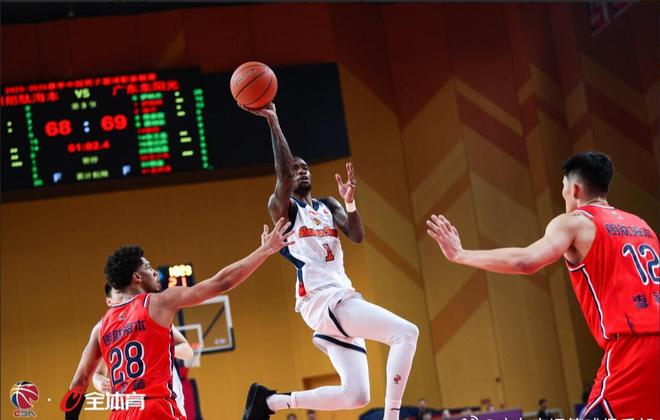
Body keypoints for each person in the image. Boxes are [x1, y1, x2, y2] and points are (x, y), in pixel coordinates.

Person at [426, 151, 660, 419]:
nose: (563, 195)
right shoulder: (643, 226)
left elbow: (525, 261)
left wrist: (460, 254)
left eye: (563, 187)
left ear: (574, 189)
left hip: (632, 348)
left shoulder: (576, 222)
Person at [240, 103, 419, 420]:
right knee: (406, 333)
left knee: (356, 395)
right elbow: (283, 173)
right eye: (296, 168)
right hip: (323, 299)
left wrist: (350, 203)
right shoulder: (284, 209)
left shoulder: (327, 205)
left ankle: (270, 403)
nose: (301, 171)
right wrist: (273, 121)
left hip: (340, 297)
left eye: (305, 167)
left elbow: (357, 235)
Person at [61, 219, 294, 419]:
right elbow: (221, 282)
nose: (155, 272)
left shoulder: (100, 327)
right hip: (155, 408)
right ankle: (258, 406)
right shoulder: (158, 303)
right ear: (136, 276)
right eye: (148, 267)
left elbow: (79, 382)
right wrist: (264, 250)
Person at [93, 284, 194, 417]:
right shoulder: (108, 333)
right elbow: (97, 374)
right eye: (119, 293)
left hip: (163, 400)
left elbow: (188, 351)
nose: (125, 296)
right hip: (129, 408)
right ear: (109, 302)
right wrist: (100, 383)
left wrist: (160, 347)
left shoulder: (152, 315)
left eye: (126, 291)